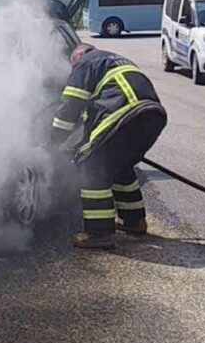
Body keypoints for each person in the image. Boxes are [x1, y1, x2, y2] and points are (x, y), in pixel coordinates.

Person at [50, 43, 168, 249]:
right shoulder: (112, 60)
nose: (72, 70)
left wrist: (53, 141)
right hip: (153, 115)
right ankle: (135, 222)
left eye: (72, 64)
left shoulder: (85, 63)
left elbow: (70, 107)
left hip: (125, 114)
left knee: (90, 167)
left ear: (78, 56)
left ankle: (99, 234)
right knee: (121, 168)